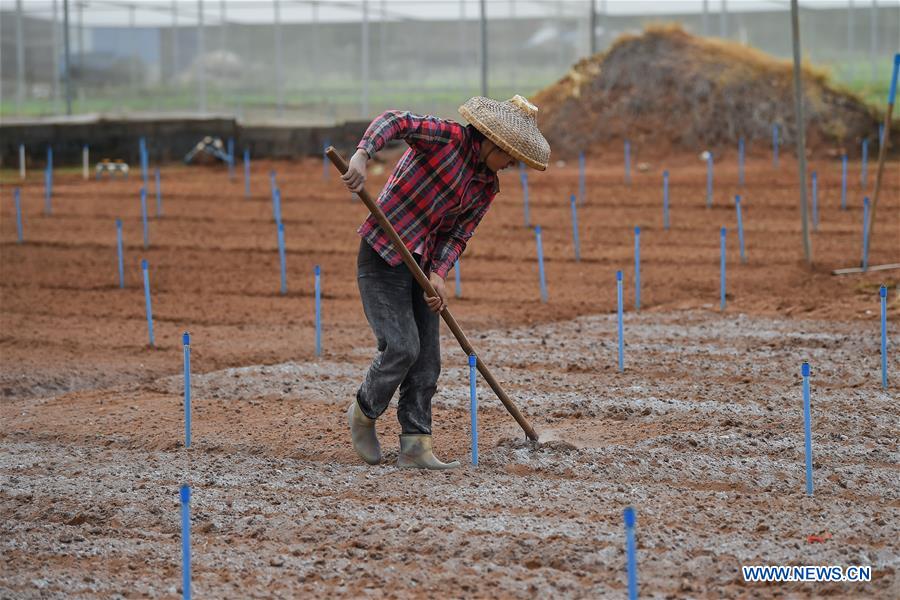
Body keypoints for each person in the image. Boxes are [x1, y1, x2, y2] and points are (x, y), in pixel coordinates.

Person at [341, 95, 550, 469]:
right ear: (493, 142)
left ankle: (416, 446)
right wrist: (362, 154)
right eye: (511, 156)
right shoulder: (447, 137)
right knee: (402, 347)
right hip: (384, 252)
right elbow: (395, 120)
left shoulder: (486, 186)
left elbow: (458, 235)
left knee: (427, 362)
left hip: (422, 267)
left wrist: (438, 274)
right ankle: (363, 411)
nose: (512, 164)